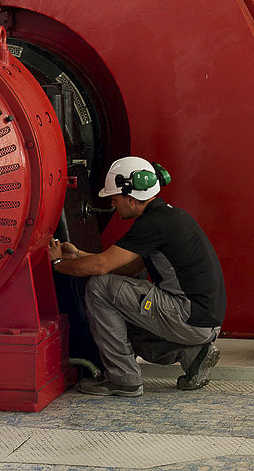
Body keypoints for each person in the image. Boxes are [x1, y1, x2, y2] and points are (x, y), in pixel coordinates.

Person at [48, 156, 225, 397]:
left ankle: (123, 379)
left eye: (114, 198)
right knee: (121, 323)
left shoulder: (152, 224)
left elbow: (101, 266)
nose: (112, 204)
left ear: (131, 199)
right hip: (201, 321)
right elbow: (128, 268)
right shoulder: (168, 217)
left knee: (99, 287)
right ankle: (193, 355)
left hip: (187, 316)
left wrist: (57, 264)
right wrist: (78, 254)